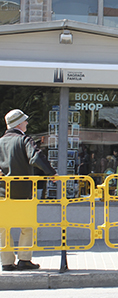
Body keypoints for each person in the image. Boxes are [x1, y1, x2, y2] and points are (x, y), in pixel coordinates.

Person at [0, 109, 56, 271]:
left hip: (2, 192)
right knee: (27, 226)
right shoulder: (24, 140)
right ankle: (24, 259)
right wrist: (51, 173)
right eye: (25, 121)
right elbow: (36, 157)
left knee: (4, 227)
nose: (27, 123)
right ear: (18, 123)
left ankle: (6, 262)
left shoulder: (0, 141)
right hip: (23, 191)